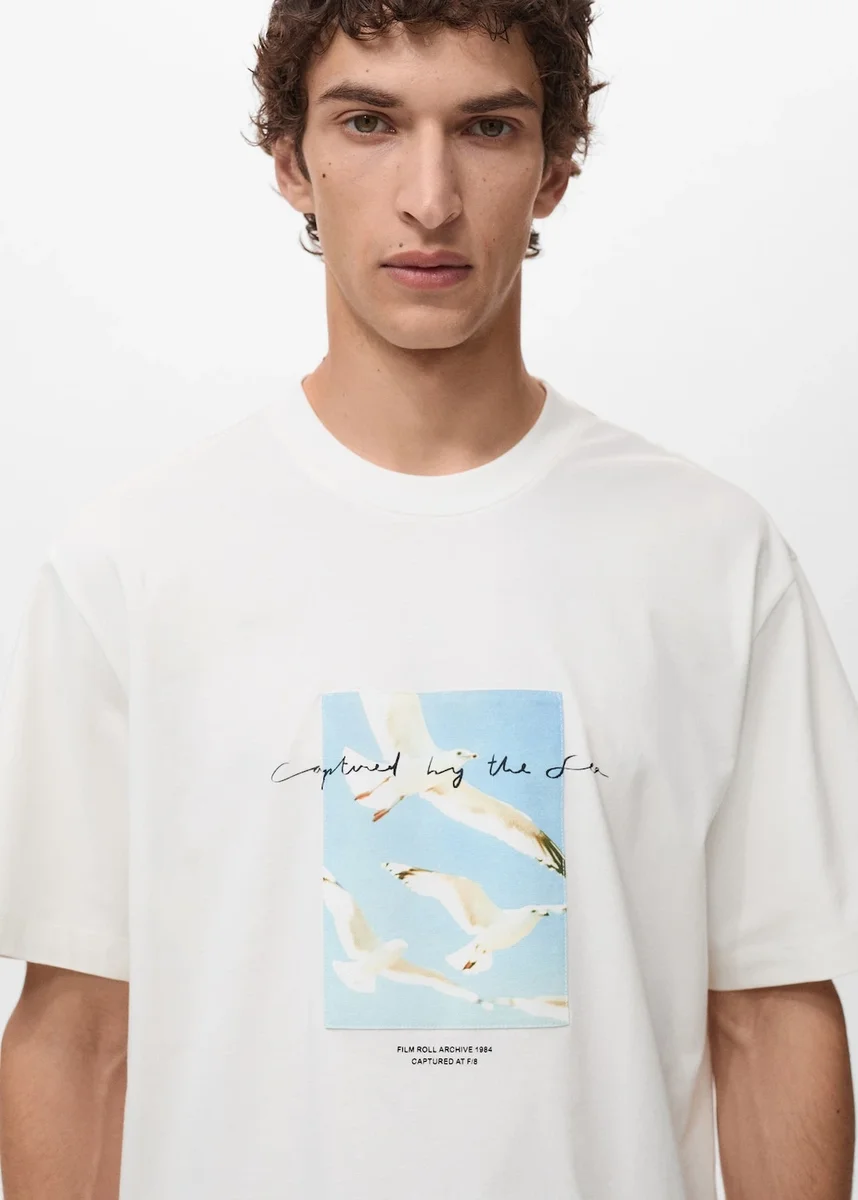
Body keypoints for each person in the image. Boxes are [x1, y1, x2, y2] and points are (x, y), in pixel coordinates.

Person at [1, 2, 857, 1198]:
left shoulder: (711, 558)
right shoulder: (131, 565)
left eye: (487, 128)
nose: (430, 198)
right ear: (292, 161)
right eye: (370, 122)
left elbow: (769, 1018)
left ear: (555, 166)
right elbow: (82, 1035)